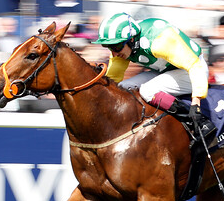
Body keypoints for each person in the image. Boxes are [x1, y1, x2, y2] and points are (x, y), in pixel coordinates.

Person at [92, 12, 216, 151]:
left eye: (116, 47)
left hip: (192, 70)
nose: (114, 53)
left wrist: (196, 103)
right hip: (165, 70)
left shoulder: (159, 41)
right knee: (122, 87)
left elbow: (194, 66)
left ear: (131, 39)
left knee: (147, 90)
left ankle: (197, 123)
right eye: (109, 47)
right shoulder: (122, 45)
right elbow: (112, 80)